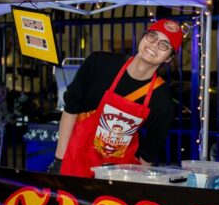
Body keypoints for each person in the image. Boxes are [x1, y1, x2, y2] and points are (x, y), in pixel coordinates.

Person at [47, 19, 182, 177]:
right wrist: (59, 160)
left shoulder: (162, 101)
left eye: (164, 44)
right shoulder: (99, 64)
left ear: (169, 58)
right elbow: (71, 109)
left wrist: (138, 181)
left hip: (118, 175)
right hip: (75, 162)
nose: (154, 45)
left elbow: (149, 152)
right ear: (144, 37)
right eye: (152, 36)